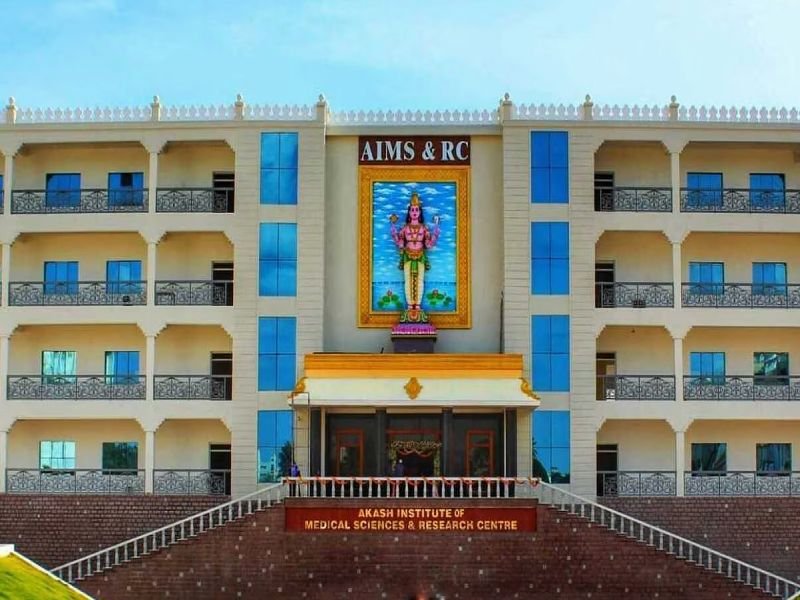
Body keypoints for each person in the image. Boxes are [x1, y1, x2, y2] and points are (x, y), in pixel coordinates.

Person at [389, 193, 440, 323]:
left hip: (420, 258)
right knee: (408, 281)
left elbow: (428, 245)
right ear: (409, 212)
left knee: (420, 281)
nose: (414, 212)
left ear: (420, 212)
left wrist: (436, 229)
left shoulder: (424, 228)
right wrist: (393, 228)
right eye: (412, 210)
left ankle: (417, 306)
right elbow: (400, 243)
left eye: (417, 210)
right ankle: (409, 306)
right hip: (408, 257)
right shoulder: (405, 228)